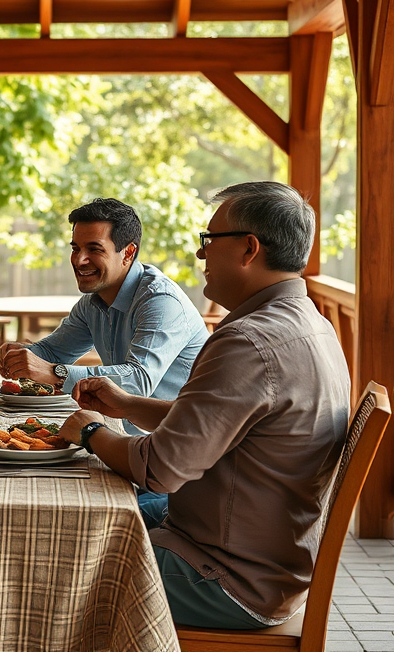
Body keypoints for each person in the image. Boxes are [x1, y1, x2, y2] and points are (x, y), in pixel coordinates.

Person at [59, 181, 349, 629]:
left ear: (249, 249)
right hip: (252, 550)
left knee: (47, 565)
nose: (200, 255)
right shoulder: (310, 323)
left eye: (209, 241)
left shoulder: (248, 342)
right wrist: (130, 405)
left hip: (227, 576)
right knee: (74, 518)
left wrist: (90, 432)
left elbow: (159, 468)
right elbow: (222, 422)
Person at [0, 198, 209, 434]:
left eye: (94, 249)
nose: (79, 260)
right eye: (75, 248)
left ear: (128, 253)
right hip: (122, 433)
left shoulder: (160, 301)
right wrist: (23, 354)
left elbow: (138, 382)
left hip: (177, 441)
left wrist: (55, 373)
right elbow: (54, 352)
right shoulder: (92, 302)